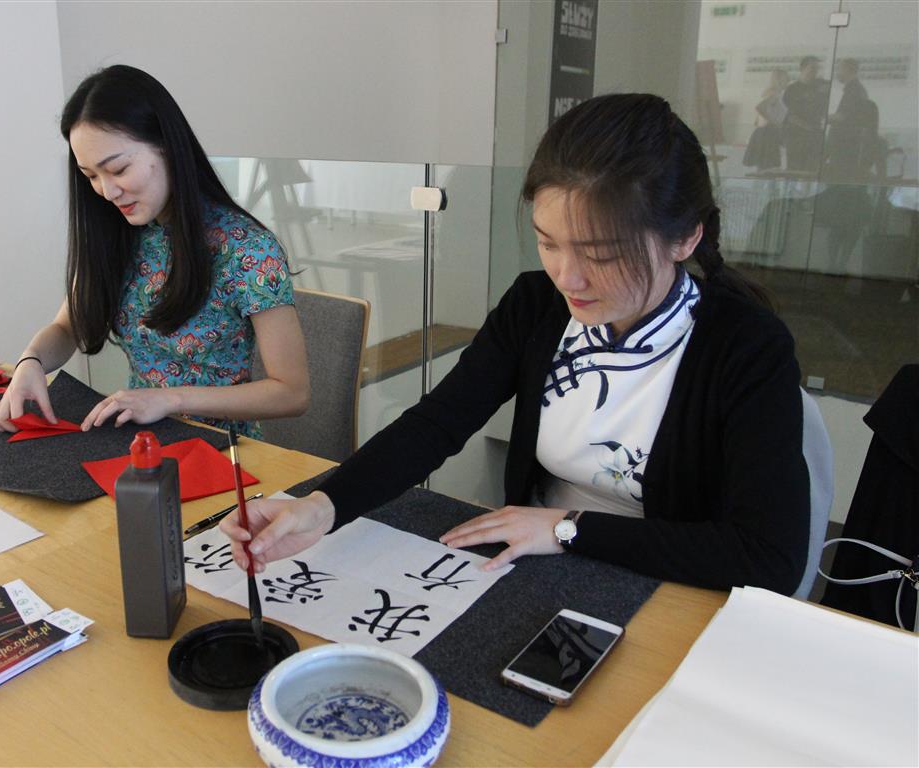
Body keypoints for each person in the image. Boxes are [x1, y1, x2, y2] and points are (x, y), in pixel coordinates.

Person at [222, 94, 810, 595]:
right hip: (543, 571)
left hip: (670, 589)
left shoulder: (746, 347)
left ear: (684, 238)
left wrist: (566, 528)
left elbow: (767, 557)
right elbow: (437, 423)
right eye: (548, 243)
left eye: (601, 255)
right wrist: (321, 506)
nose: (568, 277)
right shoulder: (536, 305)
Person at [0, 65, 309, 438]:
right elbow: (66, 326)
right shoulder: (118, 233)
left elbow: (292, 392)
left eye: (118, 169)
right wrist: (31, 361)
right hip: (140, 441)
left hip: (223, 449)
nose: (107, 191)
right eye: (91, 176)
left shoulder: (247, 250)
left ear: (166, 146)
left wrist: (171, 399)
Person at [782, 56, 829, 172]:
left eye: (817, 68)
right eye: (812, 68)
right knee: (794, 171)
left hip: (815, 137)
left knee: (813, 171)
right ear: (802, 68)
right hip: (796, 137)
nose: (815, 71)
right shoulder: (791, 89)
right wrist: (809, 128)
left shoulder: (821, 86)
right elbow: (789, 115)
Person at [742, 69, 788, 171]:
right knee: (765, 167)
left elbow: (758, 116)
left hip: (766, 132)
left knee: (764, 167)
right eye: (786, 78)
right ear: (780, 79)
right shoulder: (774, 93)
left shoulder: (772, 93)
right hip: (767, 133)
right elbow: (760, 108)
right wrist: (774, 122)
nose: (788, 81)